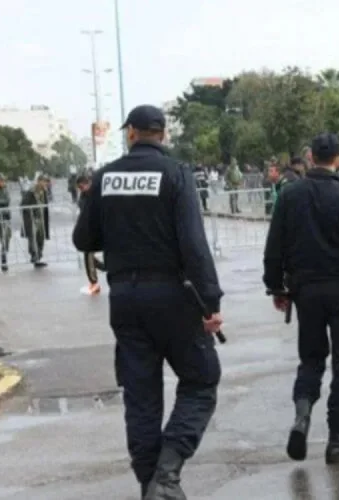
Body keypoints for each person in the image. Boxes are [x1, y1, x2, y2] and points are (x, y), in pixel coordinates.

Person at [72, 105, 223, 500]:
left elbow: (83, 240)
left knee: (141, 397)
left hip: (125, 299)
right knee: (202, 378)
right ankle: (168, 473)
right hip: (173, 297)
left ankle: (149, 485)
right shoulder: (176, 174)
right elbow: (194, 243)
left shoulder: (105, 178)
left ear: (132, 134)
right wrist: (210, 301)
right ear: (163, 134)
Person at [263, 132, 339, 465]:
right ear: (338, 159)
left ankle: (302, 417)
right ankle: (337, 438)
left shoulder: (289, 196)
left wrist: (276, 287)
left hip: (306, 292)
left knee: (312, 359)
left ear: (310, 156)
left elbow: (274, 246)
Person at [75, 174, 105, 295]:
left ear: (87, 183)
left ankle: (94, 282)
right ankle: (103, 270)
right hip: (92, 228)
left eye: (82, 187)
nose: (81, 190)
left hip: (99, 226)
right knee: (88, 255)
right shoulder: (85, 195)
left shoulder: (97, 193)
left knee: (89, 255)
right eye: (79, 188)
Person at [20, 174, 51, 268]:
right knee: (32, 239)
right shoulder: (31, 191)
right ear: (39, 181)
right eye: (44, 181)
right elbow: (23, 204)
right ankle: (35, 257)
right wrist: (31, 212)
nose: (46, 183)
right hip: (32, 218)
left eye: (46, 182)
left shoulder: (44, 191)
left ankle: (39, 256)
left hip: (41, 218)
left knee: (41, 238)